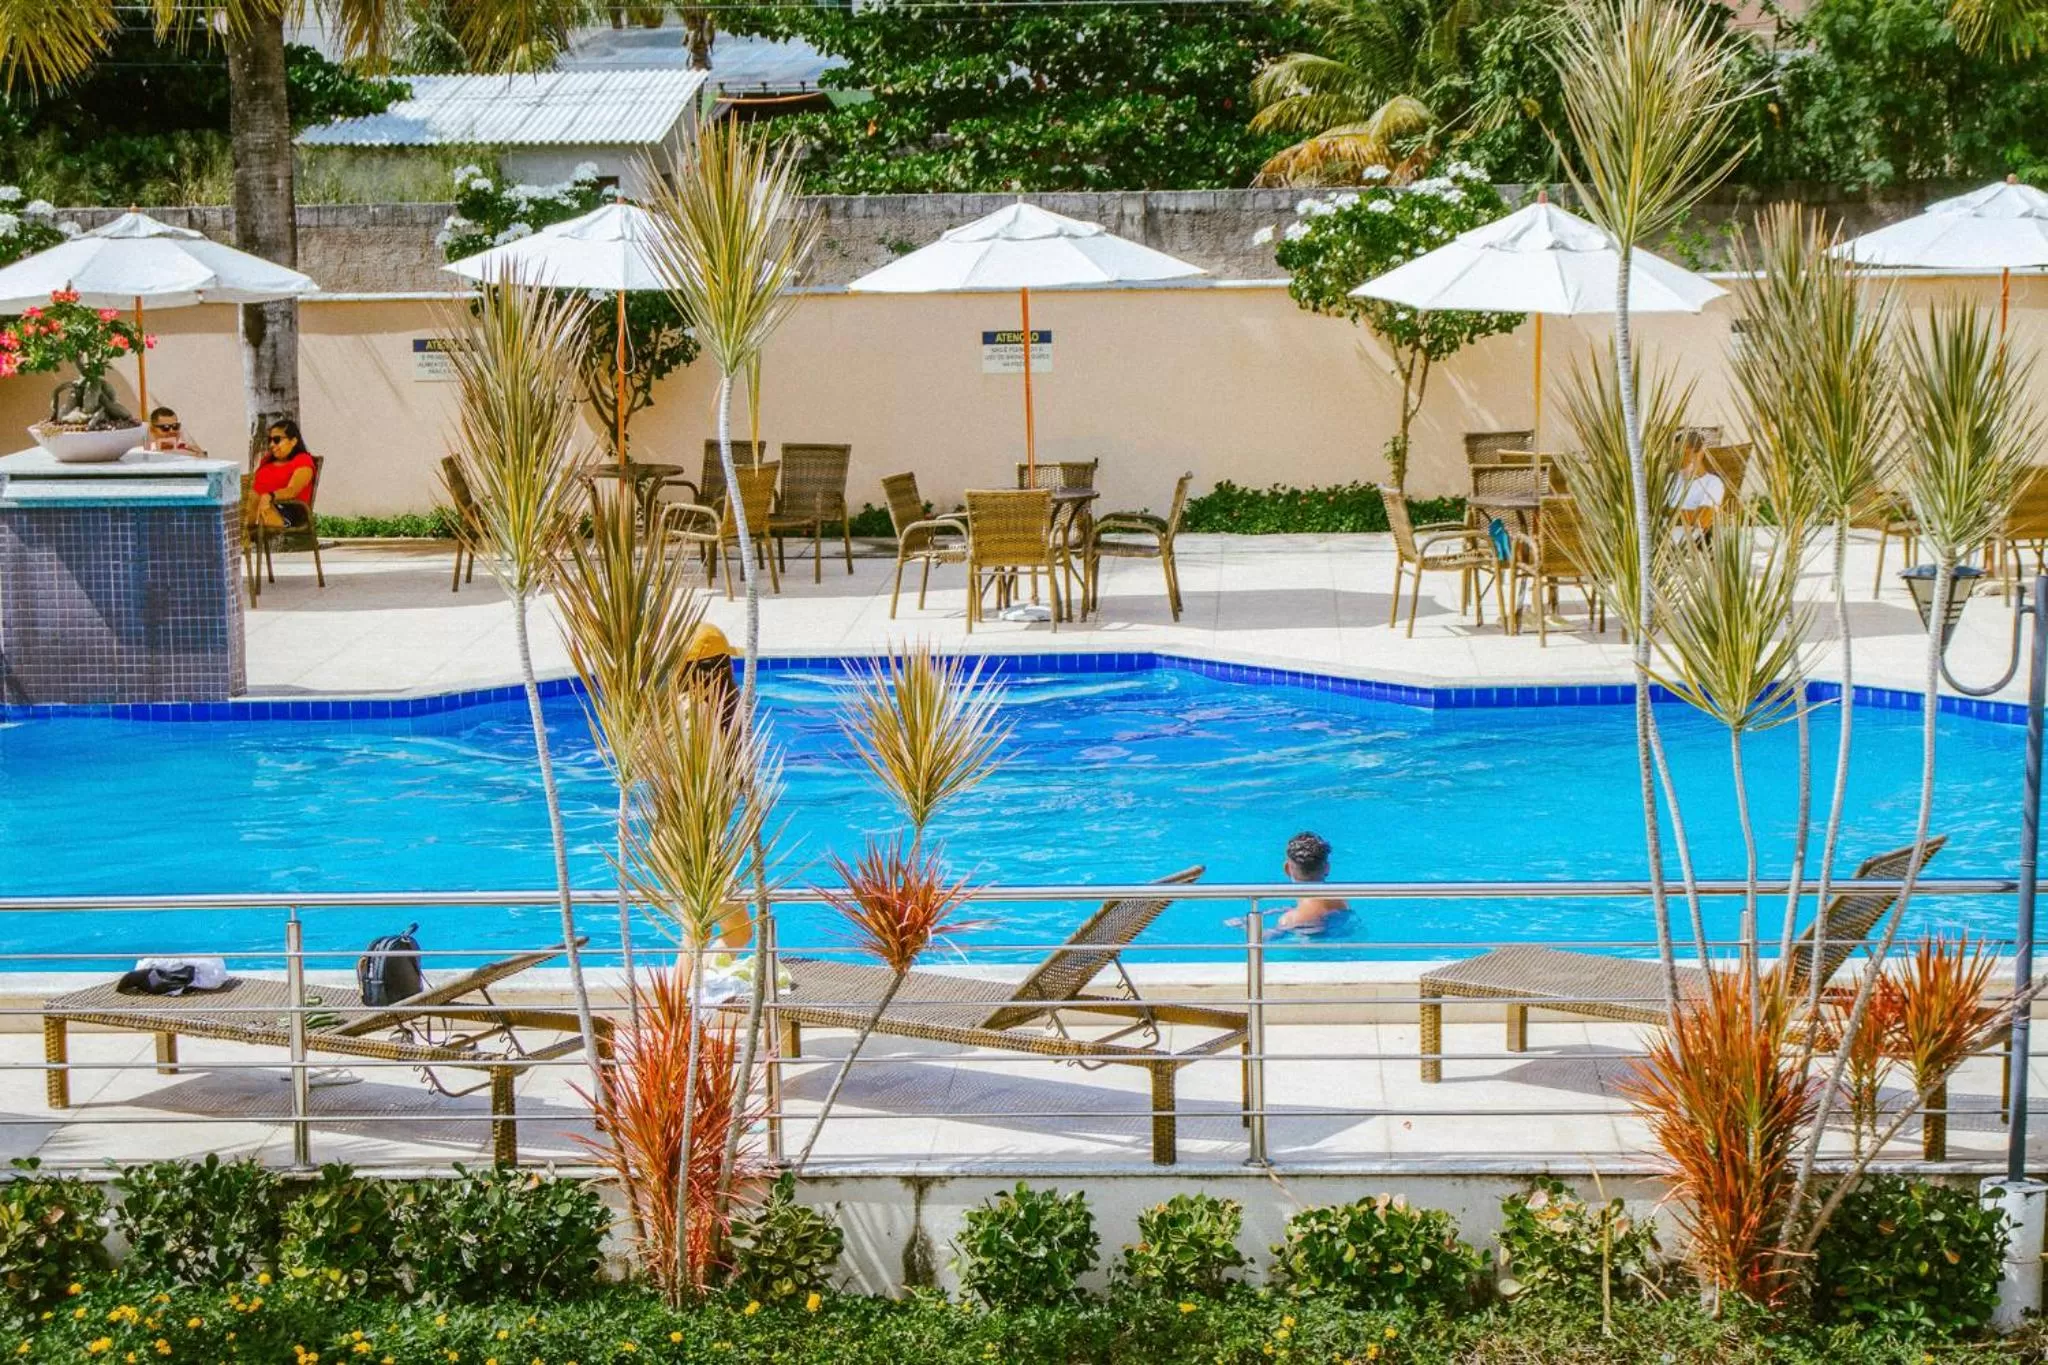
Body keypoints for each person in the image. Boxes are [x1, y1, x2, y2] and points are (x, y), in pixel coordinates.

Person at [1273, 831, 1351, 938]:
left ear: (1287, 869)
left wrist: (1246, 925)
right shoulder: (1340, 902)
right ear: (1327, 868)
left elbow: (1263, 939)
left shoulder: (1290, 919)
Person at [252, 419, 318, 529]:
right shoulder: (267, 461)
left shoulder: (302, 460)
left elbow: (292, 490)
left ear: (293, 441)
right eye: (270, 440)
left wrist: (270, 496)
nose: (271, 445)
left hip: (283, 511)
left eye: (277, 440)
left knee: (248, 502)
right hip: (256, 507)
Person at [1669, 433, 1725, 535]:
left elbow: (1703, 519)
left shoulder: (1713, 483)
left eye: (1685, 451)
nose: (1680, 457)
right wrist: (1690, 515)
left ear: (1701, 452)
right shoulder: (1669, 480)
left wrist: (1668, 513)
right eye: (1677, 452)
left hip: (1693, 544)